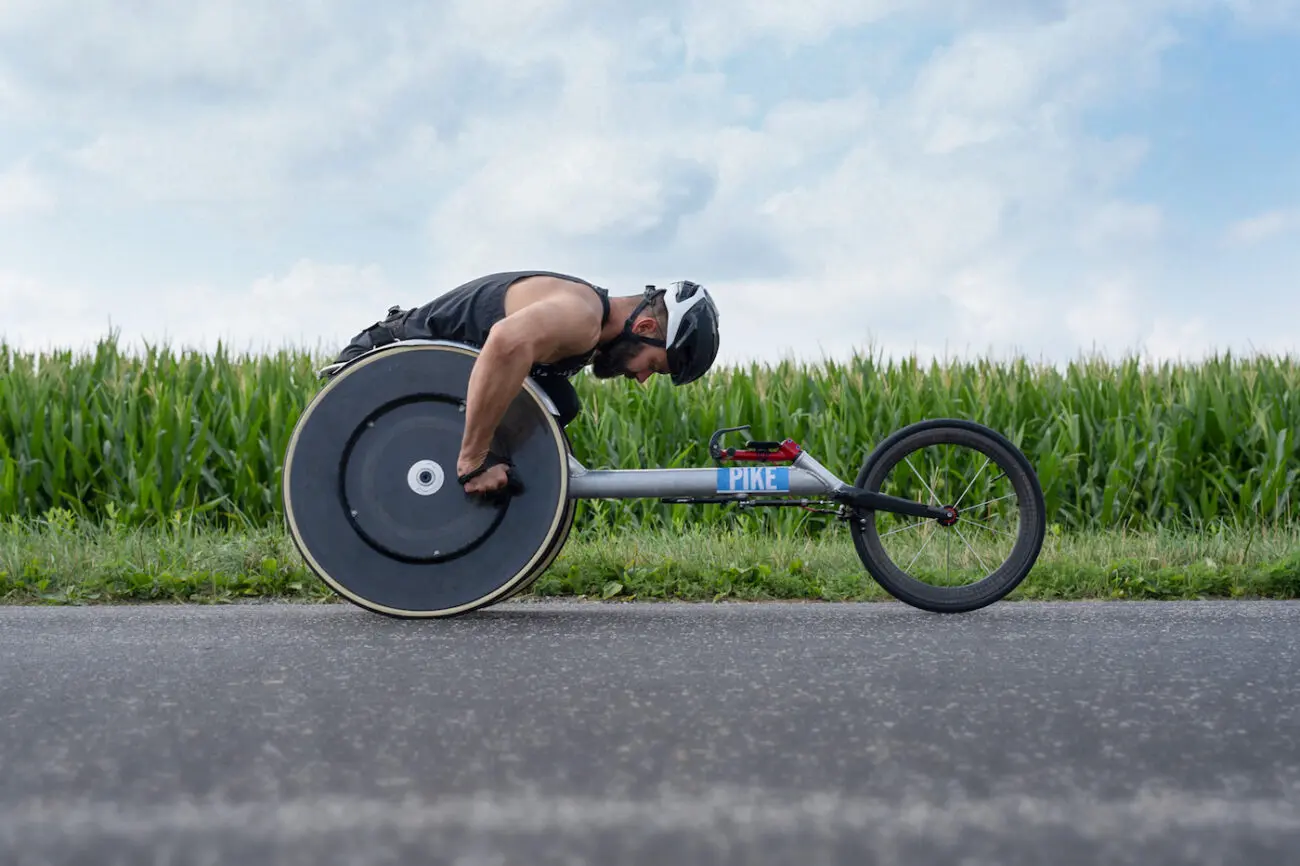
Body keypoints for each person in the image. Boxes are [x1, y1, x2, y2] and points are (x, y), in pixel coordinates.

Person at [333, 270, 721, 497]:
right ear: (645, 327)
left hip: (429, 379)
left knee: (560, 403)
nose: (641, 378)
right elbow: (506, 341)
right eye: (652, 365)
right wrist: (473, 460)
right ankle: (466, 462)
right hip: (384, 366)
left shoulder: (588, 327)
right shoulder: (581, 316)